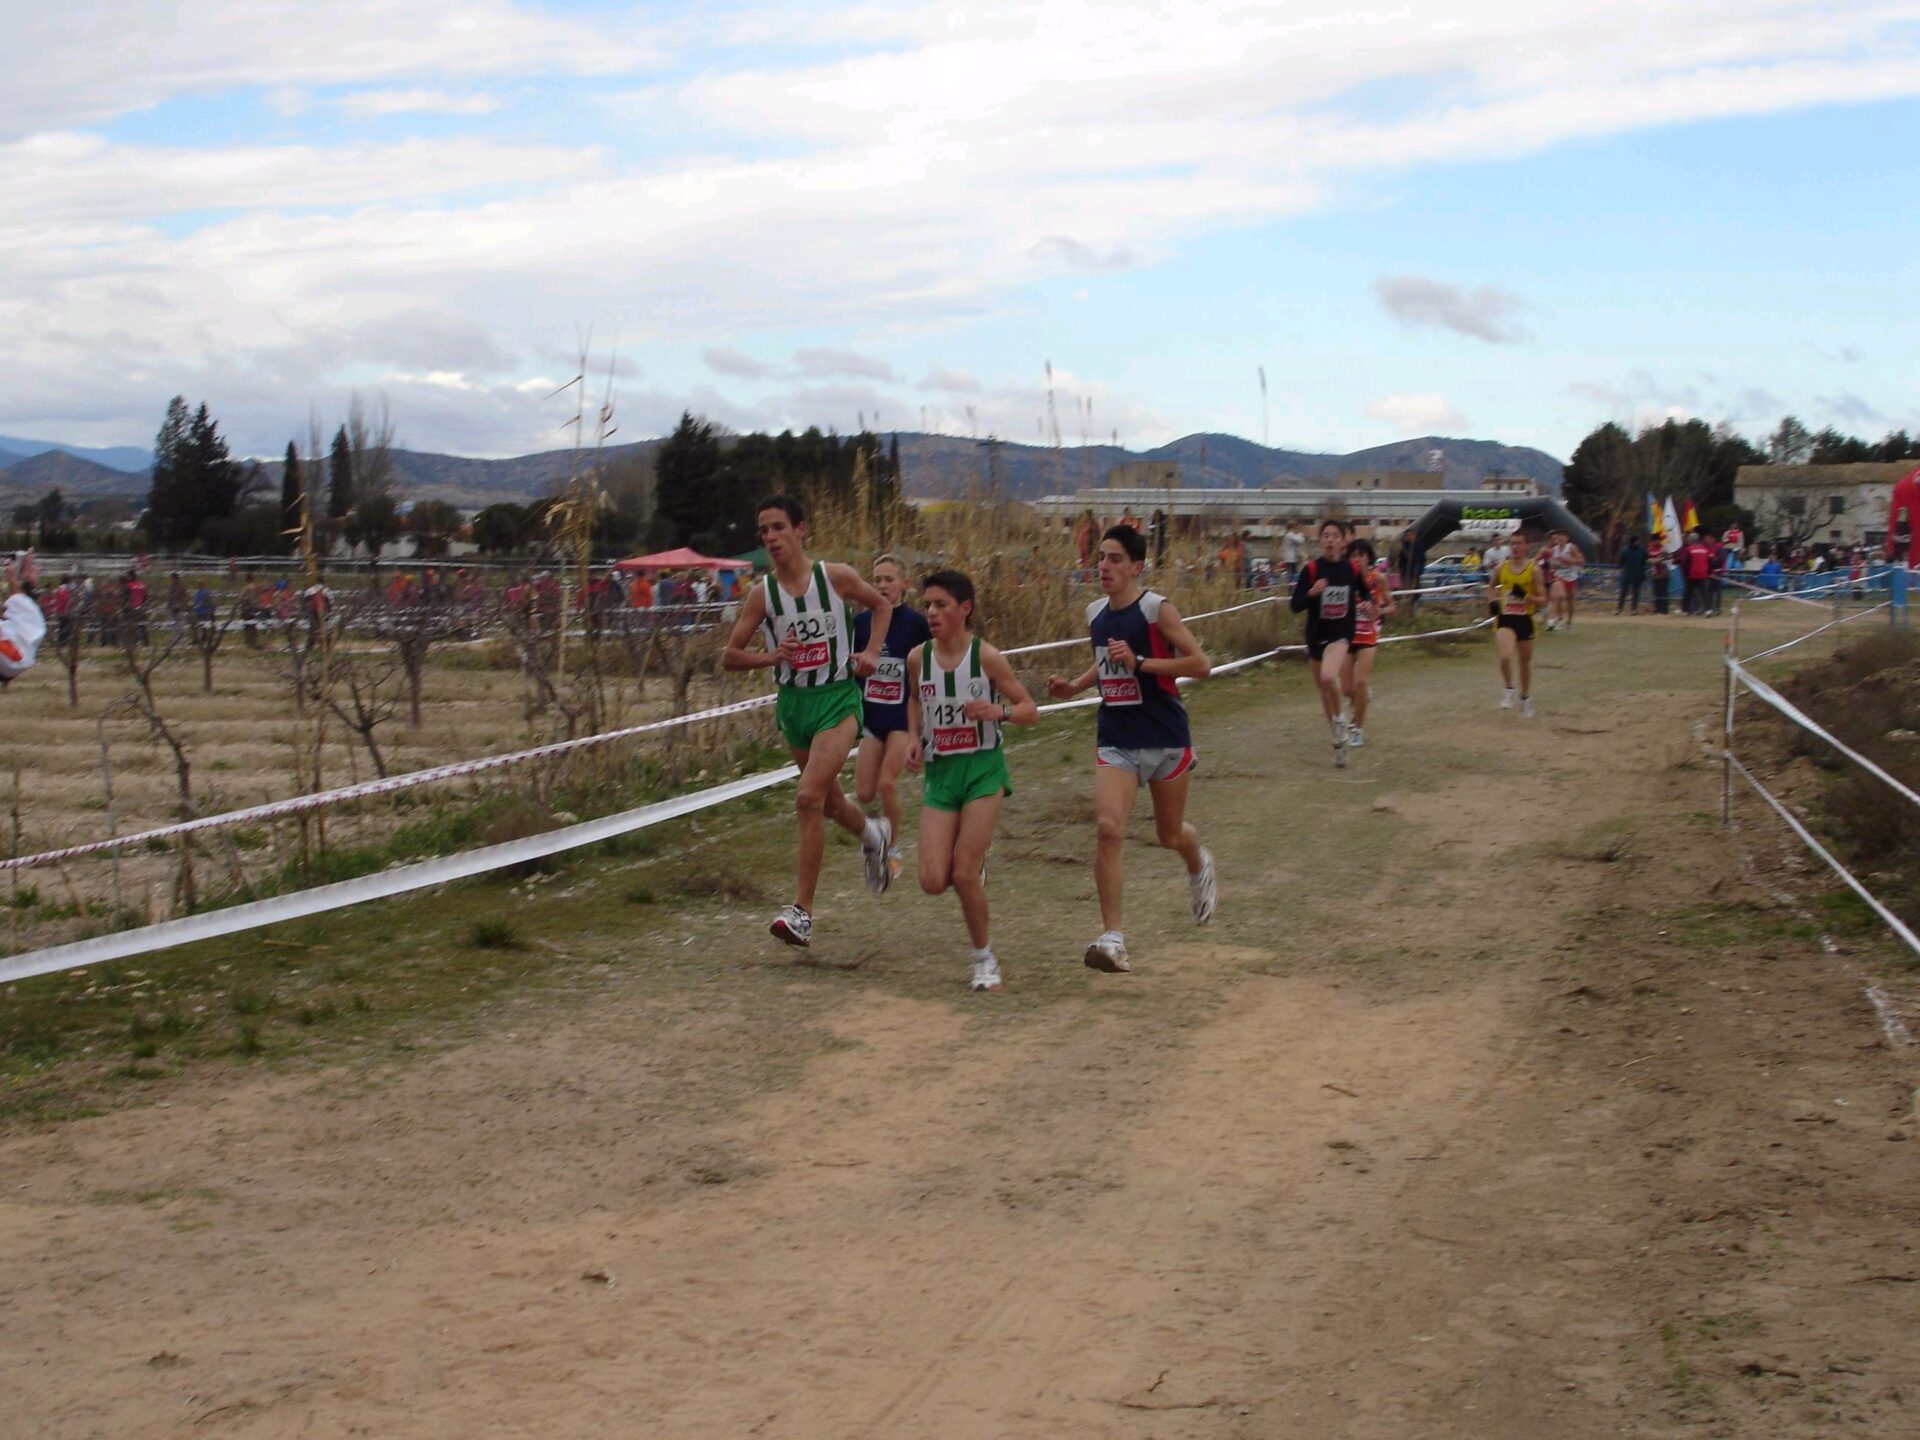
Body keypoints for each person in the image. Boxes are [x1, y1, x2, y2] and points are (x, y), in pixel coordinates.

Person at [722, 495, 894, 949]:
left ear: (800, 529)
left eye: (778, 527)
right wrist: (771, 656)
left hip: (838, 700)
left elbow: (881, 606)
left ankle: (801, 913)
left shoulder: (835, 577)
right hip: (794, 707)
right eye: (764, 530)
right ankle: (873, 834)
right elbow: (730, 656)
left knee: (806, 798)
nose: (770, 537)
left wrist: (872, 652)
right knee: (831, 804)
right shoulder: (762, 594)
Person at [1045, 524, 1216, 975]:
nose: (1104, 566)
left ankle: (1198, 863)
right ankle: (1113, 939)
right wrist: (1075, 686)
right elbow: (1106, 661)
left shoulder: (1157, 610)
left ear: (1136, 566)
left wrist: (1140, 663)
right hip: (1116, 737)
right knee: (1108, 829)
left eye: (1115, 558)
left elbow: (1201, 665)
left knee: (1169, 835)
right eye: (1101, 557)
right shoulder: (1095, 613)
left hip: (1165, 736)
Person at [904, 569, 1039, 992]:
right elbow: (914, 699)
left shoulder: (987, 658)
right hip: (941, 773)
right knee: (932, 881)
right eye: (927, 604)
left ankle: (984, 960)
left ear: (965, 609)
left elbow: (1030, 710)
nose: (931, 612)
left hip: (983, 769)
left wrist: (998, 712)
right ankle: (972, 863)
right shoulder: (917, 658)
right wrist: (912, 738)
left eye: (940, 604)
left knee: (962, 874)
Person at [852, 554, 932, 882]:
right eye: (877, 580)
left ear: (904, 584)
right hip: (873, 716)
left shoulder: (916, 623)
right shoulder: (860, 623)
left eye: (889, 579)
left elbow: (932, 664)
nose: (882, 585)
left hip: (902, 716)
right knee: (864, 792)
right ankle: (876, 836)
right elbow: (852, 667)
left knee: (887, 783)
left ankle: (892, 848)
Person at [1291, 519, 1364, 767]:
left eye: (1334, 536)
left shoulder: (1351, 569)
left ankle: (1341, 718)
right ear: (1320, 541)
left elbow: (1364, 592)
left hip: (1341, 634)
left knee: (1328, 676)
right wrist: (1311, 593)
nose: (1330, 540)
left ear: (1343, 542)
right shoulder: (1311, 570)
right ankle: (1338, 740)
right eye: (1325, 536)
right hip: (1316, 635)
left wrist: (1368, 604)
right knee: (1324, 691)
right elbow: (1295, 605)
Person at [1341, 536, 1395, 750]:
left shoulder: (1378, 579)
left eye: (1361, 555)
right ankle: (1362, 698)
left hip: (1368, 637)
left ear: (1369, 558)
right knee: (1347, 689)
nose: (1357, 559)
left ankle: (1357, 729)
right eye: (1353, 556)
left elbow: (1392, 606)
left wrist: (1378, 611)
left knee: (1361, 682)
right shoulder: (1344, 579)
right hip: (1346, 637)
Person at [1488, 531, 1545, 716]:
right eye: (1512, 543)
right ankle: (1508, 688)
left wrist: (1526, 597)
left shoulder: (1534, 570)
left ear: (1526, 546)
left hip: (1525, 619)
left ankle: (1525, 697)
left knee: (1524, 662)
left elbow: (1543, 600)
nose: (1515, 547)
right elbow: (1491, 587)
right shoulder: (1502, 567)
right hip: (1506, 618)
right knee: (1505, 655)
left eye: (1519, 543)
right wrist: (1492, 601)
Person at [0, 552, 46, 685]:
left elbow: (16, 596)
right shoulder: (30, 618)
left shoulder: (27, 616)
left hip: (12, 657)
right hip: (14, 658)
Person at [1546, 531, 1584, 629]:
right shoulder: (1554, 550)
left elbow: (1581, 560)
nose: (1560, 538)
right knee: (1557, 597)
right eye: (1559, 537)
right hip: (1559, 576)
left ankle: (1569, 621)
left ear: (1567, 538)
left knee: (1569, 600)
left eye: (1563, 536)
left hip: (1571, 576)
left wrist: (1569, 561)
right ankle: (1556, 620)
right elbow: (1551, 564)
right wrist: (1553, 565)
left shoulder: (1571, 547)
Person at [1680, 530, 1714, 614]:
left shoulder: (1689, 549)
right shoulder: (1704, 549)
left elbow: (1686, 563)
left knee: (1688, 592)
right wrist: (1709, 572)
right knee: (1704, 592)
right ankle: (1708, 609)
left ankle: (1685, 610)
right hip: (1703, 574)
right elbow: (1709, 561)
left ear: (1691, 540)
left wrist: (1685, 573)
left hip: (1692, 574)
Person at [1616, 534, 1648, 614]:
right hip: (1627, 574)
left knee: (1635, 593)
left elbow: (1645, 558)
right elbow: (1621, 561)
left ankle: (1633, 609)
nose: (1639, 542)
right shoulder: (1625, 550)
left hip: (1637, 573)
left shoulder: (1642, 549)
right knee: (1623, 592)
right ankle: (1619, 609)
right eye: (1637, 540)